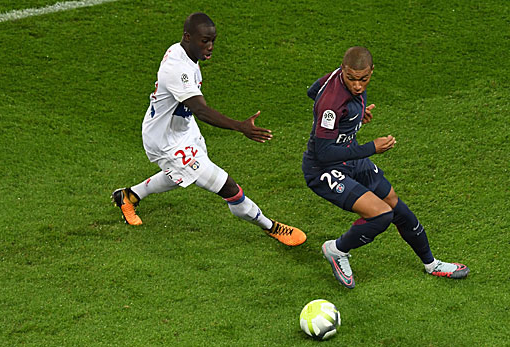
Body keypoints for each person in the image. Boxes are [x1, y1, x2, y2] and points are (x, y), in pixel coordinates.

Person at [112, 12, 306, 247]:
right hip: (165, 141)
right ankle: (271, 226)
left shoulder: (183, 53)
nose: (211, 46)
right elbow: (201, 110)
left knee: (184, 173)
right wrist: (240, 127)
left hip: (182, 128)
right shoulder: (177, 69)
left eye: (213, 40)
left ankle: (128, 196)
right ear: (187, 37)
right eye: (205, 41)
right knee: (228, 187)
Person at [302, 46, 469, 288]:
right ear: (343, 70)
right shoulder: (332, 103)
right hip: (324, 169)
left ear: (371, 71)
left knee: (395, 205)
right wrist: (371, 147)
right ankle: (337, 250)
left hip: (350, 157)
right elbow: (324, 152)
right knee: (380, 215)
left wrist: (353, 117)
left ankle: (431, 264)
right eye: (351, 79)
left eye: (363, 79)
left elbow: (312, 91)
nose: (358, 86)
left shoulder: (335, 77)